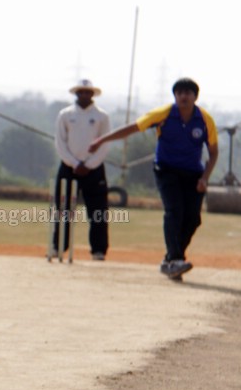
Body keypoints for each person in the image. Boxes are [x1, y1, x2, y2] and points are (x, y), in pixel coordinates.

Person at [88, 77, 219, 280]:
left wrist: (205, 178)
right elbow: (132, 128)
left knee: (193, 219)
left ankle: (170, 260)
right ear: (175, 96)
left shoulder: (204, 119)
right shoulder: (164, 114)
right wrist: (101, 140)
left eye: (188, 93)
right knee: (174, 211)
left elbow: (213, 152)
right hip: (166, 170)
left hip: (193, 174)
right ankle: (175, 259)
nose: (184, 96)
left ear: (195, 97)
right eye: (180, 92)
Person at [52, 79, 111, 260]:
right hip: (69, 168)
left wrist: (89, 164)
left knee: (98, 212)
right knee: (64, 210)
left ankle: (98, 250)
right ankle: (58, 247)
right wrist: (75, 163)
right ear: (76, 93)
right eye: (81, 92)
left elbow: (105, 144)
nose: (84, 95)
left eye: (88, 92)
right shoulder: (65, 114)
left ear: (93, 94)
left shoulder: (102, 116)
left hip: (93, 168)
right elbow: (60, 143)